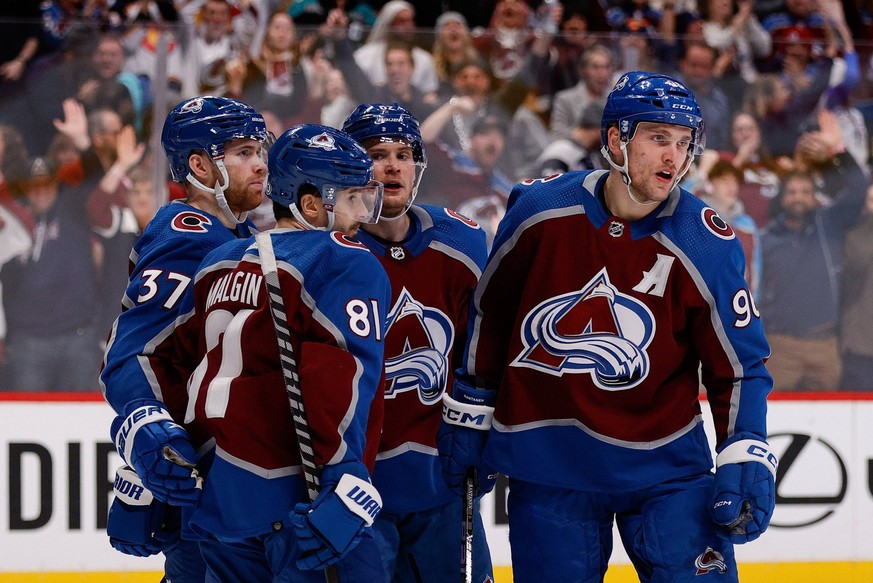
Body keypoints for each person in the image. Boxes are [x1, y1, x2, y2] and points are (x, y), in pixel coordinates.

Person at [437, 71, 777, 582]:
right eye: (658, 138)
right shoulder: (539, 211)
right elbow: (491, 313)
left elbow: (741, 365)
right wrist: (471, 407)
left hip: (666, 468)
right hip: (551, 463)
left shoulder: (707, 242)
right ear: (615, 139)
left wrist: (745, 447)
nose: (675, 157)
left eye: (684, 143)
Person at [166, 123, 391, 581]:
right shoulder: (342, 259)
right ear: (311, 204)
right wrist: (346, 476)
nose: (361, 216)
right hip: (298, 499)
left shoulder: (219, 260)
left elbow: (182, 368)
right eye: (352, 199)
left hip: (222, 496)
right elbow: (339, 377)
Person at [100, 95, 270, 582]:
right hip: (210, 479)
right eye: (241, 153)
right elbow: (135, 349)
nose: (259, 163)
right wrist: (145, 425)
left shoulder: (237, 230)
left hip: (230, 473)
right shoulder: (192, 237)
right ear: (199, 165)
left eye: (259, 150)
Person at [341, 103, 494, 583]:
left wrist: (480, 430)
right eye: (377, 154)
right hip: (356, 486)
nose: (391, 166)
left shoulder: (460, 242)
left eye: (403, 154)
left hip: (441, 481)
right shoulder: (328, 252)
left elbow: (481, 352)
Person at [759, 115, 867, 391]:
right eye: (792, 191)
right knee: (774, 421)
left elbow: (857, 190)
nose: (798, 197)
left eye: (805, 192)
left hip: (824, 346)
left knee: (831, 423)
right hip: (780, 345)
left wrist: (838, 151)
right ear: (782, 198)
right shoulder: (768, 236)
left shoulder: (827, 224)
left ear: (814, 197)